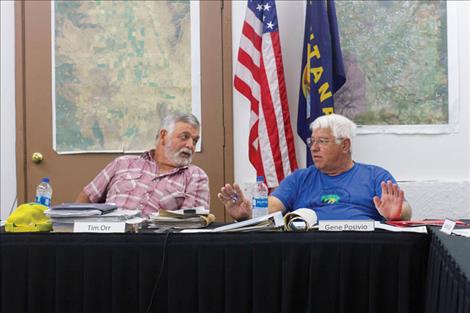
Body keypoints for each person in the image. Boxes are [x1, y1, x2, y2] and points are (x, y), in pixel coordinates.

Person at [218, 113, 411, 222]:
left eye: (323, 141)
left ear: (345, 145)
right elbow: (274, 205)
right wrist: (250, 212)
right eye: (312, 141)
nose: (314, 148)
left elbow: (403, 208)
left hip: (362, 250)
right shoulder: (300, 179)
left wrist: (398, 213)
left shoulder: (375, 176)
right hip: (309, 252)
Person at [76, 113, 209, 217]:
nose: (191, 145)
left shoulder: (195, 176)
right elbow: (86, 198)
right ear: (163, 136)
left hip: (157, 246)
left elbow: (191, 225)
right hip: (109, 241)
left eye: (195, 140)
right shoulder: (123, 163)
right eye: (184, 137)